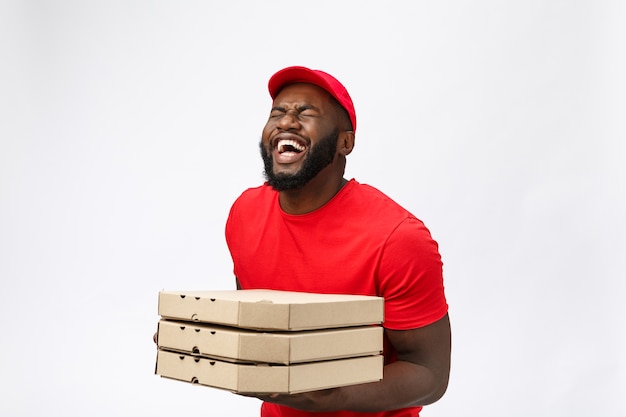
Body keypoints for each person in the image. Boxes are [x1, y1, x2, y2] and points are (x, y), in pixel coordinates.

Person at [225, 66, 451, 417]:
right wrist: (200, 342)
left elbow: (430, 374)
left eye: (305, 113)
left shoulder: (398, 238)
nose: (286, 122)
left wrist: (331, 397)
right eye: (277, 113)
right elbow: (258, 325)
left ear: (345, 142)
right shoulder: (244, 213)